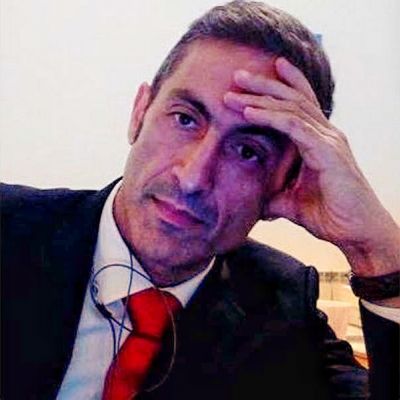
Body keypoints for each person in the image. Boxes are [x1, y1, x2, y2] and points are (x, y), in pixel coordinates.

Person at [1, 1, 399, 399]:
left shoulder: (280, 306)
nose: (192, 178)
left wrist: (376, 250)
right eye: (185, 119)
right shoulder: (9, 227)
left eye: (247, 152)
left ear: (284, 180)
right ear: (140, 113)